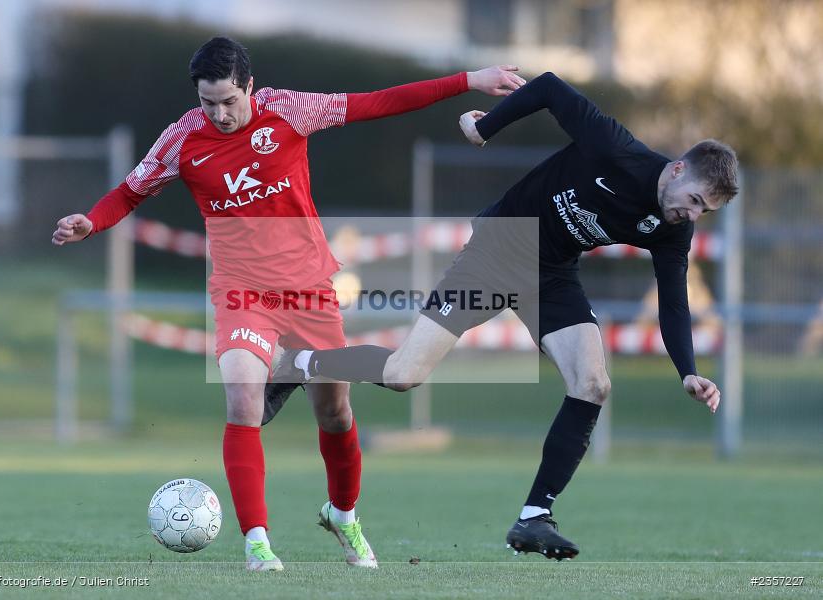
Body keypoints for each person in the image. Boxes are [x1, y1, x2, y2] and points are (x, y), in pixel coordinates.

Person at [51, 36, 524, 571]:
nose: (220, 114)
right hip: (241, 290)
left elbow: (379, 101)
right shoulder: (183, 138)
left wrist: (467, 80)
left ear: (249, 86)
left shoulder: (287, 109)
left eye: (229, 100)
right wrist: (91, 221)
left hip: (309, 289)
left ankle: (343, 515)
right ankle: (257, 544)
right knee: (243, 401)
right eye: (209, 103)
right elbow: (131, 191)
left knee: (336, 411)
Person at [263, 71, 737, 560]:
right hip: (497, 254)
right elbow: (551, 86)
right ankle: (297, 364)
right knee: (405, 374)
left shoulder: (671, 229)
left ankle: (534, 518)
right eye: (695, 200)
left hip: (550, 277)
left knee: (593, 382)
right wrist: (486, 127)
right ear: (678, 170)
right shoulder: (615, 148)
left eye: (706, 211)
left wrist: (688, 372)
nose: (693, 214)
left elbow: (674, 300)